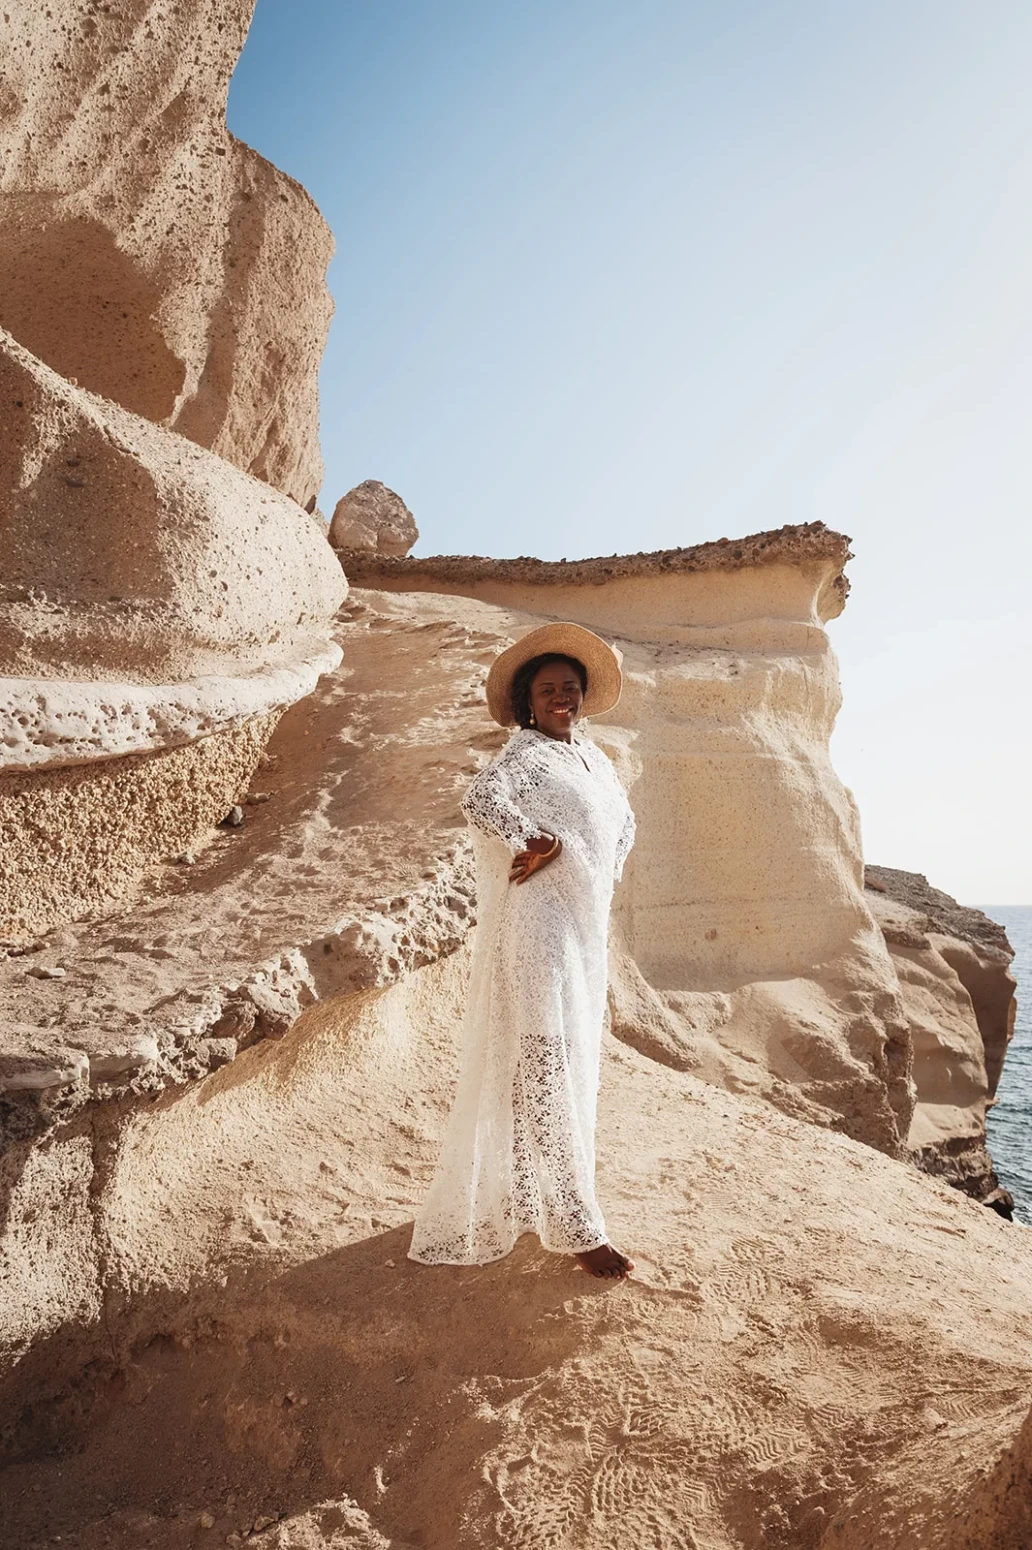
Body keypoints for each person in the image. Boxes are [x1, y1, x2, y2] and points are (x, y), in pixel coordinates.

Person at [408, 621, 637, 1279]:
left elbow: (623, 824)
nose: (561, 697)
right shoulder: (525, 755)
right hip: (537, 930)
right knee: (545, 1061)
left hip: (579, 927)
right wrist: (534, 841)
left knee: (558, 1059)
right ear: (527, 703)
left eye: (570, 687)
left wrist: (593, 871)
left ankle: (524, 1194)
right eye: (548, 689)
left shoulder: (593, 758)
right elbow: (480, 799)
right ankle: (579, 1226)